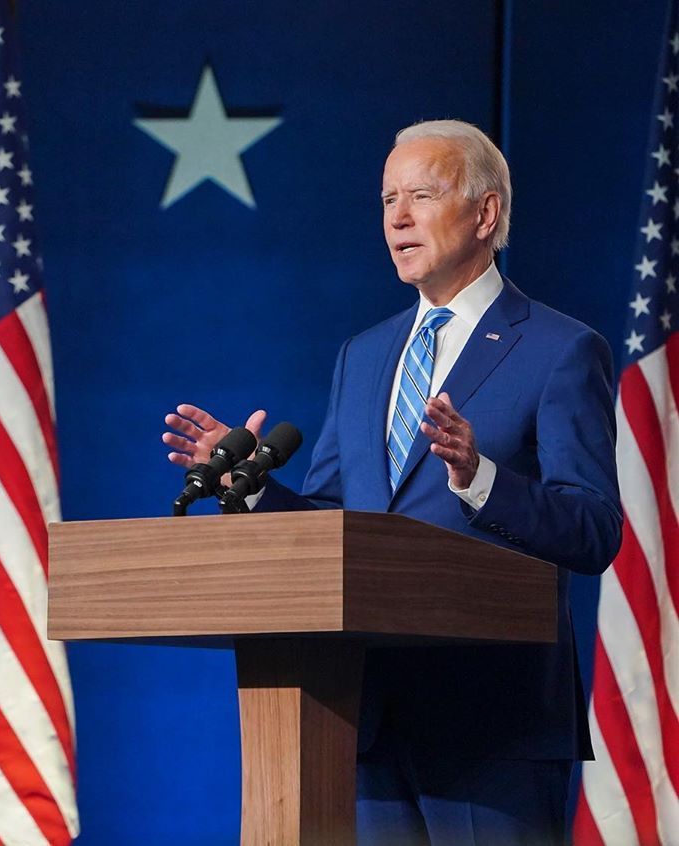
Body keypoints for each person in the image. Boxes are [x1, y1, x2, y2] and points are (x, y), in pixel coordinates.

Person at [163, 119, 622, 845]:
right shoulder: (365, 355)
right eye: (387, 200)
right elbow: (332, 520)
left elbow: (595, 530)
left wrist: (482, 479)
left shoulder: (561, 350)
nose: (398, 218)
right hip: (365, 711)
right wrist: (246, 484)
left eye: (421, 195)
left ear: (485, 212)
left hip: (491, 727)